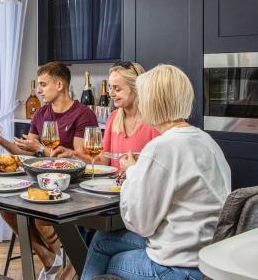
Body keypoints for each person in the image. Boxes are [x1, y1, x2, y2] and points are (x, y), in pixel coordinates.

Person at [82, 64, 231, 279]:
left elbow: (139, 223)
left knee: (111, 260)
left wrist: (132, 172)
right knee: (102, 239)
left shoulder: (161, 147)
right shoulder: (206, 140)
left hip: (179, 265)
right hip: (205, 251)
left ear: (152, 102)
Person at [53, 61, 159, 280]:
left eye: (117, 88)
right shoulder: (114, 118)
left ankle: (72, 273)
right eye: (110, 88)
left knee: (86, 227)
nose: (111, 93)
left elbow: (157, 173)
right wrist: (74, 154)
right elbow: (102, 159)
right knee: (76, 220)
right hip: (110, 196)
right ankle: (75, 272)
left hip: (136, 204)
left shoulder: (153, 124)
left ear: (137, 88)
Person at [0, 61, 98, 280]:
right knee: (5, 208)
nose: (38, 90)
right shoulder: (42, 113)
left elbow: (82, 158)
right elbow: (28, 152)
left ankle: (66, 258)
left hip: (73, 184)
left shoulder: (83, 114)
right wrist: (0, 140)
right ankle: (52, 259)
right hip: (43, 178)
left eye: (43, 84)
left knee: (40, 216)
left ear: (59, 84)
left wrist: (41, 149)